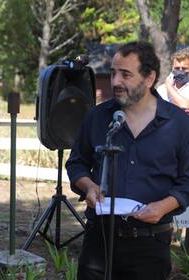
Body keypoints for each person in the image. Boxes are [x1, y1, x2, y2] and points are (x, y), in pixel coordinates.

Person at [66, 41, 189, 280]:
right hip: (98, 242)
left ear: (149, 77)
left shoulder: (179, 123)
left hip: (150, 244)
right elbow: (76, 163)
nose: (115, 82)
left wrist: (163, 207)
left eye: (125, 74)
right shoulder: (97, 117)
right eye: (113, 73)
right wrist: (88, 186)